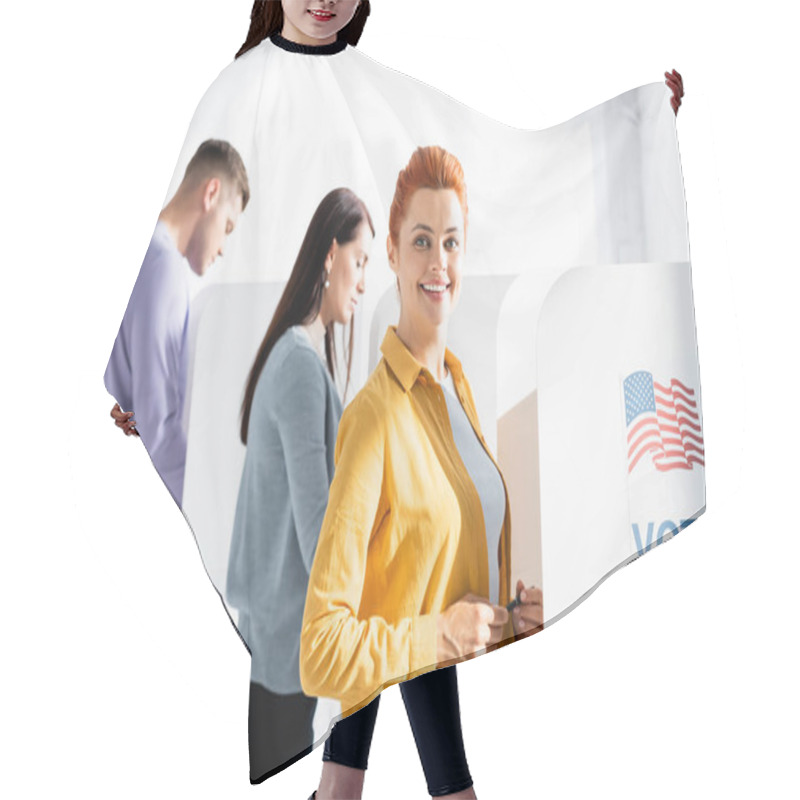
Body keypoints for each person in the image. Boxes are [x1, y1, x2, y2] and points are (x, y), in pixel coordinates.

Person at [300, 145, 544, 800]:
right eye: (422, 241)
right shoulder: (374, 420)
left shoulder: (457, 390)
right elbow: (321, 647)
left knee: (346, 782)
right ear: (392, 252)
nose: (439, 263)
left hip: (420, 658)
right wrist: (439, 634)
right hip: (412, 654)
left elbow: (427, 578)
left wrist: (510, 618)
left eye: (453, 243)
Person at [225, 187, 374, 782]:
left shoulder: (300, 356)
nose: (362, 282)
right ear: (330, 254)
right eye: (360, 261)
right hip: (289, 651)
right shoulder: (298, 367)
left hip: (289, 644)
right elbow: (319, 534)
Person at [105, 139, 250, 505]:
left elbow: (132, 407)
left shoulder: (144, 252)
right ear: (211, 193)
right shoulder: (163, 267)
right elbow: (158, 426)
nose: (223, 248)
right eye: (228, 227)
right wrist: (212, 506)